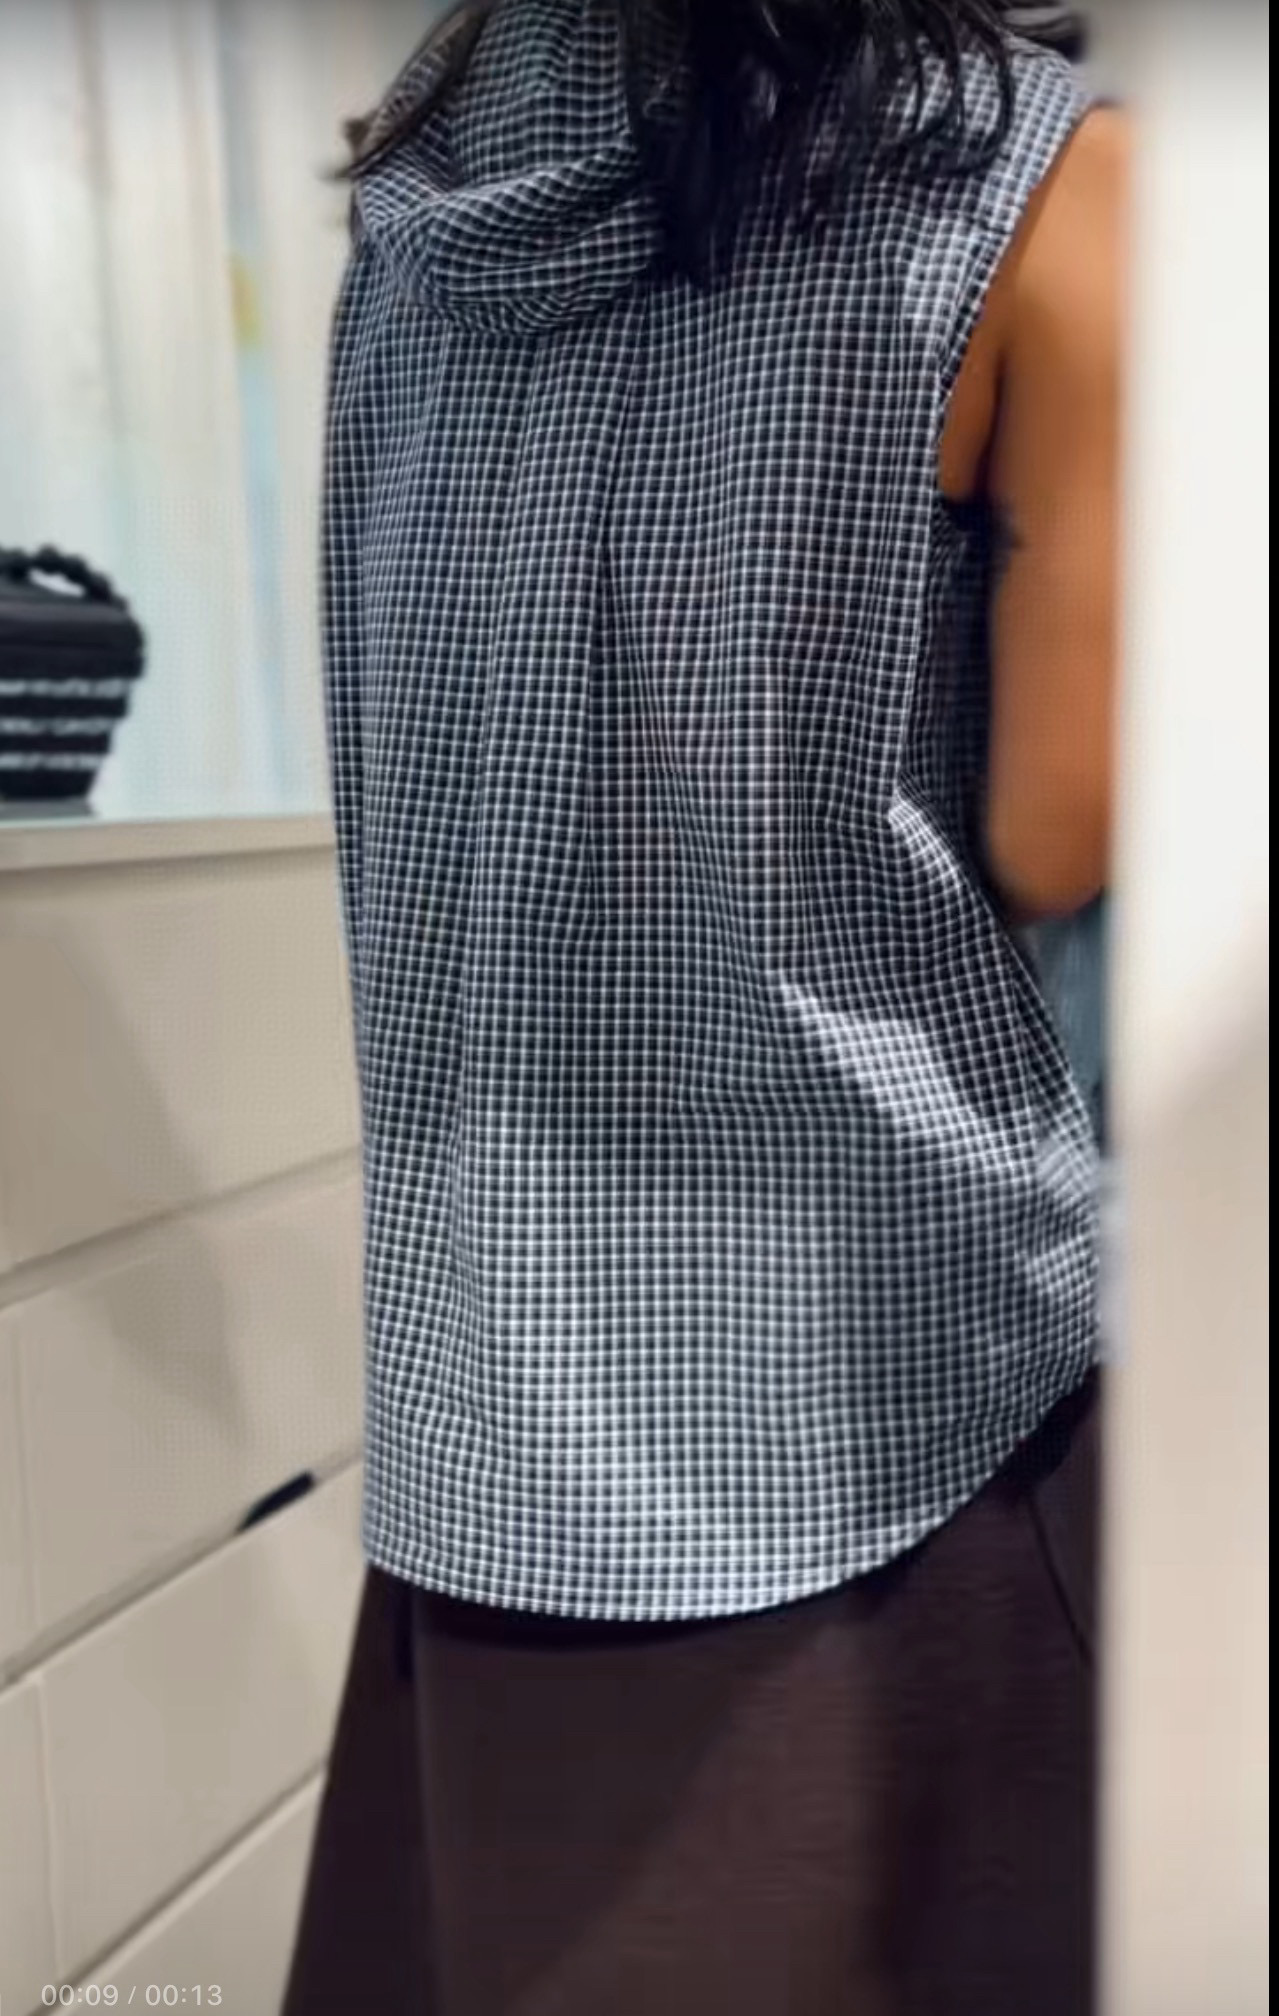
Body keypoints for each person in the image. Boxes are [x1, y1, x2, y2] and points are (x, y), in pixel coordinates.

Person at [284, 3, 1127, 2011]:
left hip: (494, 1425)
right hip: (893, 1401)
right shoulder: (1043, 185)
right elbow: (1055, 829)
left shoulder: (418, 206)